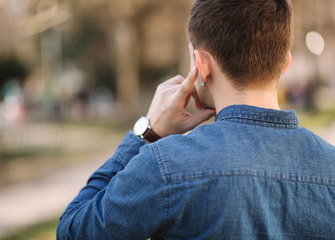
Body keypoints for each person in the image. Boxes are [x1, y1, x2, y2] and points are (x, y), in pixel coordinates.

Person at [57, 0, 335, 239]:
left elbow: (73, 230)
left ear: (201, 65)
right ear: (285, 63)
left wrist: (147, 133)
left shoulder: (166, 166)